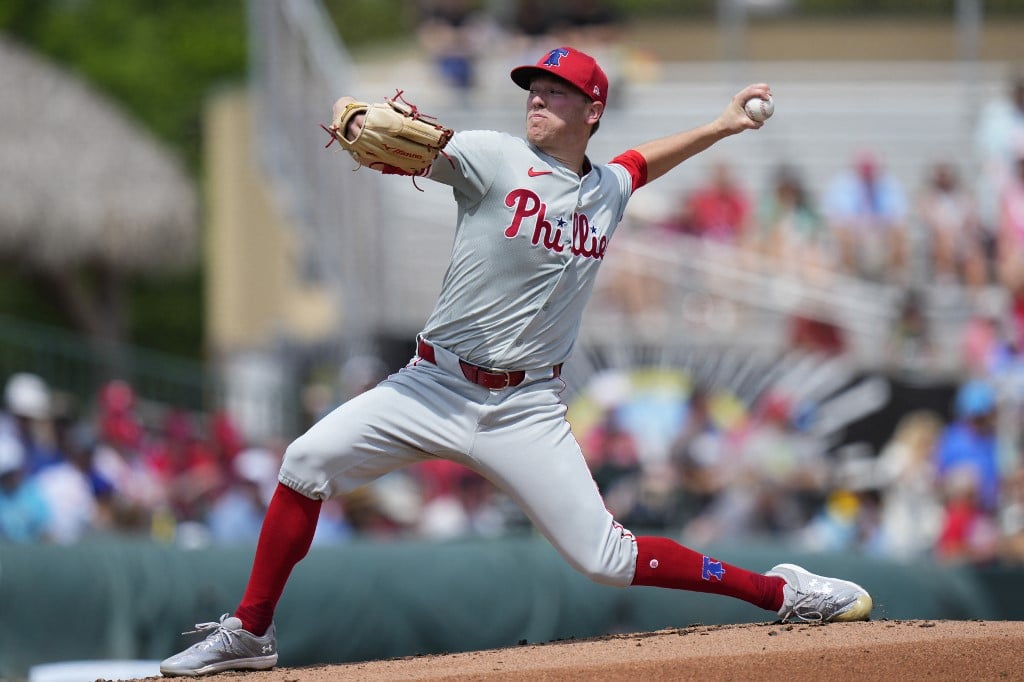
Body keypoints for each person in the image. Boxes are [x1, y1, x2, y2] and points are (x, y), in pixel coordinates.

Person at [160, 46, 872, 676]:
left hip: (525, 408)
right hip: (431, 385)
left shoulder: (607, 190)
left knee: (608, 561)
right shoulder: (494, 155)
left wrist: (721, 125)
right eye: (533, 87)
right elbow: (433, 151)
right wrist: (378, 132)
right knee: (305, 463)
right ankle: (250, 630)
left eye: (555, 90)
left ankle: (782, 592)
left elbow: (637, 163)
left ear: (592, 110)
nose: (537, 96)